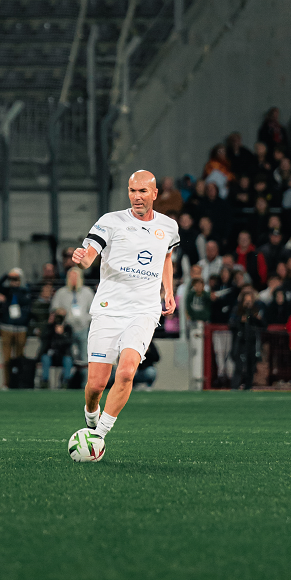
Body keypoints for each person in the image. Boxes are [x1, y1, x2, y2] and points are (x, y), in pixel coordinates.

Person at [71, 170, 178, 440]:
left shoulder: (168, 226)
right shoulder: (110, 222)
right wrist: (82, 258)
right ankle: (91, 413)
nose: (137, 197)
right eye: (132, 191)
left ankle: (99, 435)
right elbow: (90, 256)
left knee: (128, 370)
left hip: (144, 310)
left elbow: (166, 257)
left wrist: (168, 291)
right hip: (109, 309)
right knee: (96, 384)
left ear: (155, 194)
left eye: (143, 191)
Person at [0, 267, 32, 389]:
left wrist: (16, 288)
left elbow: (24, 302)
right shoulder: (7, 291)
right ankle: (7, 383)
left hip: (20, 328)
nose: (14, 281)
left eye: (16, 279)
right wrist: (7, 275)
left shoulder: (24, 291)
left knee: (19, 357)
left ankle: (19, 381)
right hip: (6, 327)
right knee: (7, 358)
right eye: (13, 279)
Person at [50, 266, 95, 367]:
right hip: (67, 330)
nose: (73, 279)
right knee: (68, 357)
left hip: (83, 329)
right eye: (71, 277)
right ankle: (68, 380)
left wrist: (85, 319)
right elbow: (54, 310)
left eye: (76, 277)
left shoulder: (87, 292)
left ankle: (84, 381)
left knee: (85, 357)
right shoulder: (61, 293)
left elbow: (93, 311)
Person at [38, 309, 75, 388]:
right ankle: (45, 381)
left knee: (68, 360)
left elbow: (70, 342)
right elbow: (43, 339)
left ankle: (65, 382)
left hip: (63, 353)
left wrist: (61, 334)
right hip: (50, 353)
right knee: (45, 358)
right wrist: (51, 328)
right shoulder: (49, 327)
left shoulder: (68, 328)